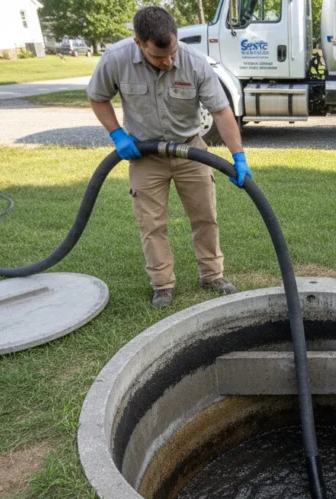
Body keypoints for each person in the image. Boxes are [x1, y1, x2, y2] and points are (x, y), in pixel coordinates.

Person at [87, 6, 251, 308]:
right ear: (139, 43)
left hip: (191, 150)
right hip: (145, 153)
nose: (168, 61)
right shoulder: (116, 59)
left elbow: (221, 111)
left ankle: (212, 276)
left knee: (205, 216)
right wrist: (117, 134)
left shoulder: (194, 62)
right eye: (159, 57)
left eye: (172, 52)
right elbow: (97, 98)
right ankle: (162, 285)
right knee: (151, 223)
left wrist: (238, 156)